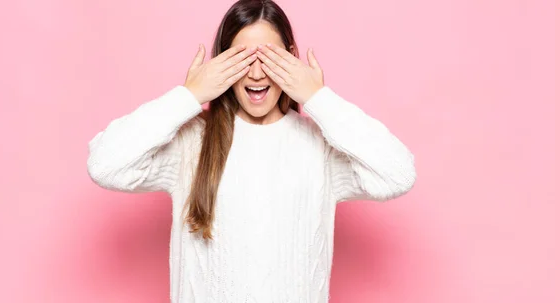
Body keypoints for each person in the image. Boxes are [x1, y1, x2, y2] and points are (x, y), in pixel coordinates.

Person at [87, 0, 416, 301]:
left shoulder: (320, 146)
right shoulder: (192, 141)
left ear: (290, 58)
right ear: (222, 63)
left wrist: (317, 97)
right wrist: (189, 95)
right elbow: (105, 165)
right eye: (243, 58)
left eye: (269, 58)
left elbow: (398, 174)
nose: (257, 74)